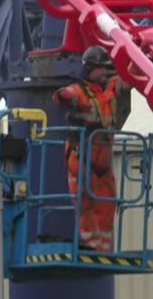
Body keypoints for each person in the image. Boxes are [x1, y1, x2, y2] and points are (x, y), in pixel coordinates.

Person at [52, 46, 131, 252]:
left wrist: (139, 58)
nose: (104, 73)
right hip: (81, 159)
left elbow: (129, 81)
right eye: (100, 69)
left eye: (106, 69)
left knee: (107, 204)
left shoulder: (110, 89)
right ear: (89, 69)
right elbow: (64, 96)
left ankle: (103, 248)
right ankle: (88, 245)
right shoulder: (79, 91)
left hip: (102, 162)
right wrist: (64, 95)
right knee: (85, 202)